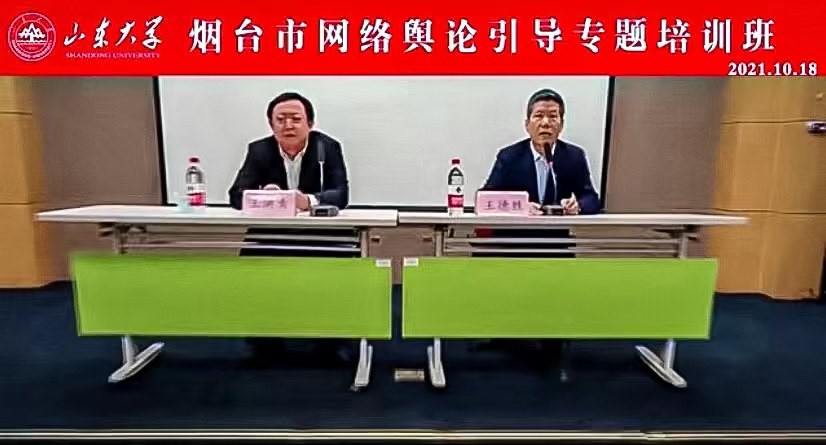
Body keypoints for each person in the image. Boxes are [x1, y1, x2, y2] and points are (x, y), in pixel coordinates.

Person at [474, 88, 602, 368]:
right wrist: (519, 207)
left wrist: (578, 205)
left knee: (557, 284)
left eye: (553, 117)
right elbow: (485, 198)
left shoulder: (573, 156)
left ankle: (552, 339)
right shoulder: (509, 156)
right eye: (539, 116)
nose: (546, 123)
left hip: (554, 242)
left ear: (562, 123)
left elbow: (592, 198)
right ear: (527, 123)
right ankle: (504, 334)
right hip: (513, 241)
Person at [228, 91, 354, 365]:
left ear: (310, 123)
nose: (288, 125)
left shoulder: (327, 148)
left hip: (322, 235)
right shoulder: (259, 150)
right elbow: (235, 195)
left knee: (340, 268)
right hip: (273, 234)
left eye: (295, 119)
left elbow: (341, 194)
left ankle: (332, 341)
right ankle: (264, 341)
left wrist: (308, 201)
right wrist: (262, 195)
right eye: (281, 119)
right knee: (254, 268)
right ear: (271, 124)